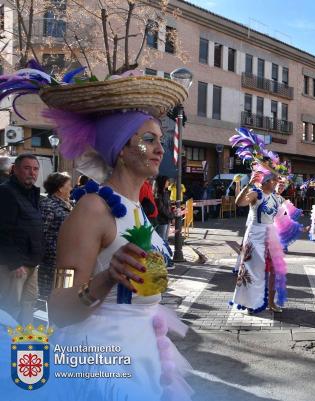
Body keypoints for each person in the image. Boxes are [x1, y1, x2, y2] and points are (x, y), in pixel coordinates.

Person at [24, 70, 193, 399]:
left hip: (145, 351)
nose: (160, 148)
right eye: (148, 139)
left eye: (161, 139)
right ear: (121, 147)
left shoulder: (136, 208)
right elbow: (59, 306)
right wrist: (107, 278)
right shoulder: (91, 209)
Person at [229, 128, 288, 313]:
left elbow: (281, 218)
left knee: (273, 272)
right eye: (275, 179)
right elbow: (239, 203)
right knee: (253, 271)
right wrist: (248, 184)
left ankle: (271, 302)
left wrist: (297, 228)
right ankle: (249, 303)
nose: (278, 181)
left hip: (271, 237)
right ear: (267, 181)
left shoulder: (277, 198)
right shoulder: (257, 193)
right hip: (255, 236)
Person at [0, 154, 44, 325]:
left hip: (32, 262)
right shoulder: (5, 192)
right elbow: (2, 231)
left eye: (35, 169)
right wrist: (15, 262)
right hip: (15, 265)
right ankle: (5, 348)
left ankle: (24, 343)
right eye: (27, 168)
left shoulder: (32, 193)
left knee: (28, 305)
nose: (32, 172)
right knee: (9, 308)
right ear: (15, 170)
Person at [39, 172, 73, 300]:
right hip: (53, 263)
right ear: (60, 188)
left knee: (64, 296)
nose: (71, 188)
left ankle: (63, 319)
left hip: (67, 261)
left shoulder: (67, 204)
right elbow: (42, 234)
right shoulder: (49, 205)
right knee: (52, 298)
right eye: (68, 186)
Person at [155, 175, 174, 244]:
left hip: (167, 219)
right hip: (161, 220)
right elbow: (161, 208)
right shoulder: (158, 194)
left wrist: (171, 216)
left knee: (165, 239)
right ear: (162, 182)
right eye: (167, 181)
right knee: (161, 240)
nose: (168, 182)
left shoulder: (166, 192)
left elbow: (168, 205)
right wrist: (171, 216)